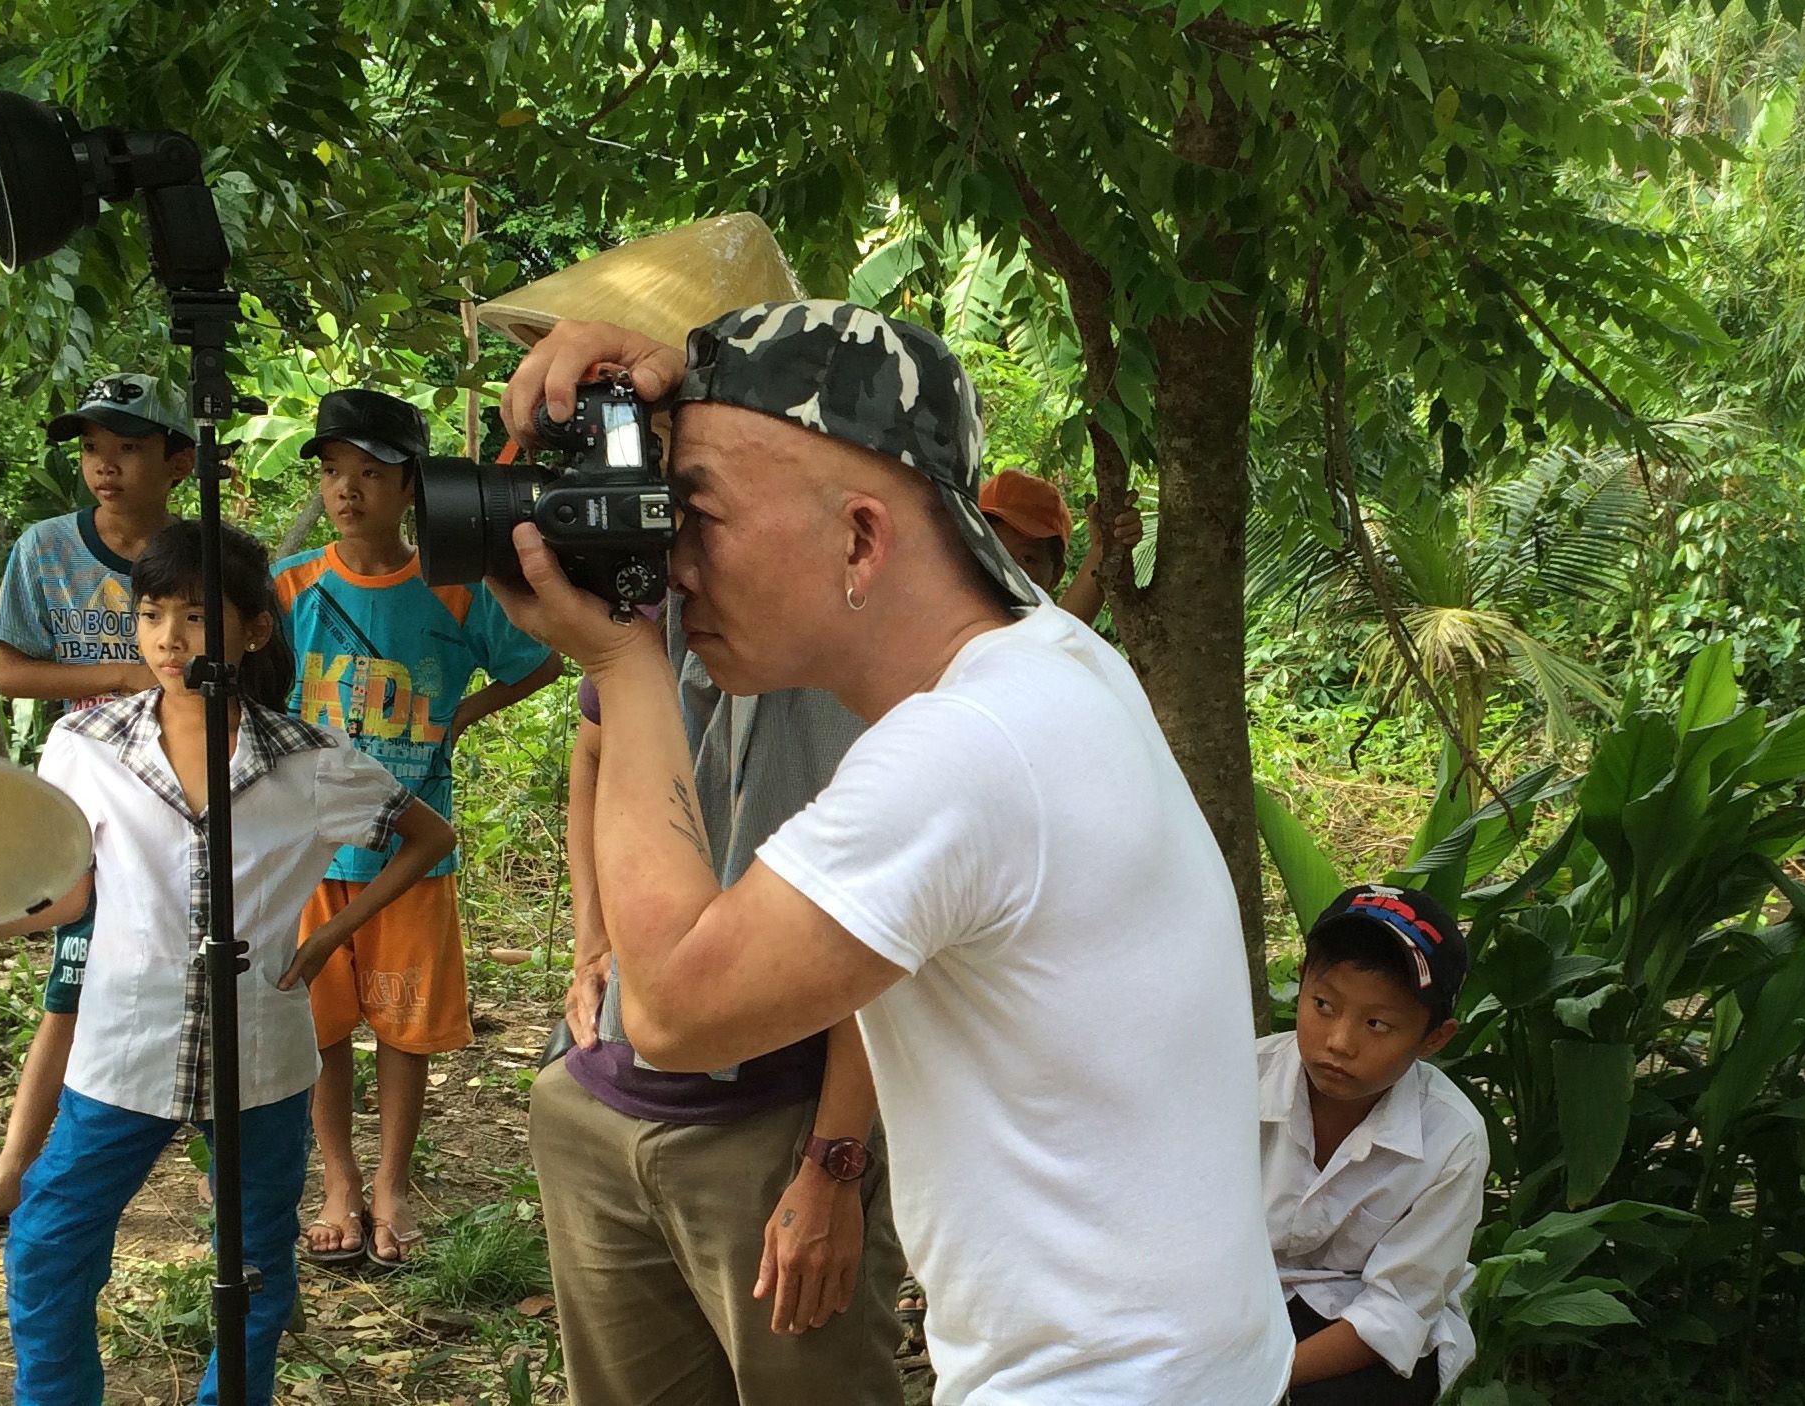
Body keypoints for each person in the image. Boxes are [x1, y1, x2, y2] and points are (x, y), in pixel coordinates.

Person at [488, 300, 1291, 1401]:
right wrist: (677, 402)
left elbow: (670, 1006)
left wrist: (624, 666)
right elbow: (821, 436)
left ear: (863, 537)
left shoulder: (964, 753)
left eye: (695, 516)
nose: (670, 566)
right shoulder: (1052, 666)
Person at [0, 521, 455, 1405]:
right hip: (121, 1050)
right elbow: (64, 896)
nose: (170, 639)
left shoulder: (310, 761)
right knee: (50, 1239)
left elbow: (426, 836)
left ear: (254, 629)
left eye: (198, 617)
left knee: (253, 1265)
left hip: (260, 1053)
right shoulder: (85, 748)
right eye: (152, 614)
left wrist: (326, 935)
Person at [528, 626, 901, 1403]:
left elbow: (879, 920)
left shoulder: (866, 657)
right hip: (599, 1104)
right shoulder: (639, 622)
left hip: (775, 1121)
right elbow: (594, 753)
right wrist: (592, 940)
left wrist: (833, 1162)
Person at [272, 388, 561, 1267]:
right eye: (331, 473)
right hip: (308, 854)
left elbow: (541, 660)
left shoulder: (456, 589)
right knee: (318, 1026)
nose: (346, 490)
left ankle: (393, 1181)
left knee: (403, 1027)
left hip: (412, 852)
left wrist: (462, 715)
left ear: (411, 490)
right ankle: (337, 1183)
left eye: (369, 473)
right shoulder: (289, 589)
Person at [0, 373, 192, 1258]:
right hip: (88, 804)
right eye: (90, 450)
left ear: (178, 462)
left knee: (215, 985)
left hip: (191, 807)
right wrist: (123, 678)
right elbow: (8, 672)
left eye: (128, 448)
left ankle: (253, 1219)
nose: (105, 468)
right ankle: (11, 1175)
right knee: (72, 986)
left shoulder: (207, 553)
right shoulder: (43, 549)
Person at [1258, 884, 1486, 1406]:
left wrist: (1262, 1380)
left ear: (1434, 1038)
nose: (1339, 1041)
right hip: (1234, 1296)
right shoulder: (1235, 1082)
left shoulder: (1452, 1139)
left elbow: (1396, 1307)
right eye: (1323, 1005)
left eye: (1377, 1023)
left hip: (1352, 1321)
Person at [977, 469, 1143, 624]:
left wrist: (1106, 548)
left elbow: (1056, 638)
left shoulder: (1039, 641)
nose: (1005, 570)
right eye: (991, 551)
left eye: (1027, 559)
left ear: (1056, 576)